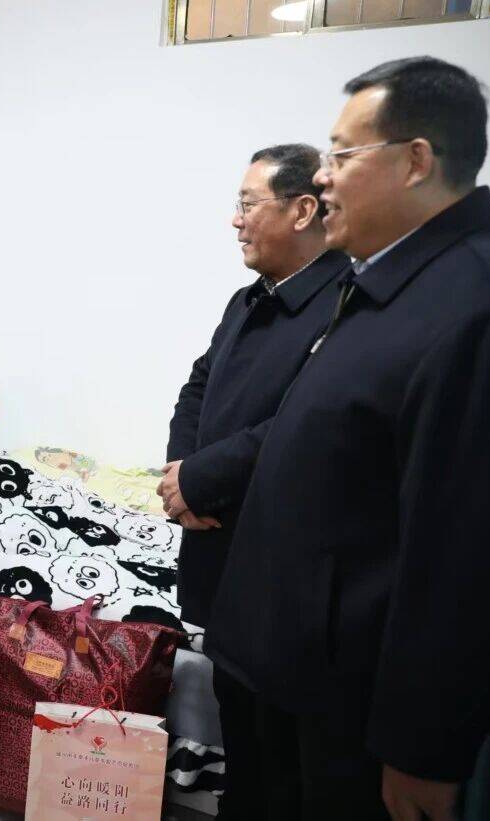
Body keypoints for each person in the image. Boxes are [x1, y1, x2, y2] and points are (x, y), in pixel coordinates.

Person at [206, 57, 490, 821]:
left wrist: (424, 744)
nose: (323, 176)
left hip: (354, 700)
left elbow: (474, 554)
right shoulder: (391, 280)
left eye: (342, 154)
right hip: (289, 664)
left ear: (416, 160)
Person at [159, 145, 348, 819]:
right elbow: (198, 384)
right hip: (218, 545)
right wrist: (180, 476)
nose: (235, 220)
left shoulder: (345, 305)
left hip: (278, 565)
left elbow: (298, 424)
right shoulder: (247, 301)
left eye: (248, 204)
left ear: (302, 210)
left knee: (283, 754)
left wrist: (202, 479)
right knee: (240, 723)